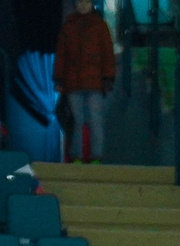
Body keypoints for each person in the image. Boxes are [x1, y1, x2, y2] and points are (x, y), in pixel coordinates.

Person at [54, 0, 117, 164]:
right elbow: (107, 53)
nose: (82, 5)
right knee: (90, 120)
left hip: (77, 83)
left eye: (85, 2)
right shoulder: (98, 25)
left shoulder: (70, 26)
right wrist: (108, 77)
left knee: (80, 121)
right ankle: (92, 157)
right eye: (80, 2)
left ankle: (81, 156)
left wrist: (59, 78)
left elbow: (62, 55)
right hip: (89, 82)